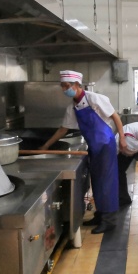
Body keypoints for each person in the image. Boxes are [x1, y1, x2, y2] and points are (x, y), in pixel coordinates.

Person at [41, 70, 126, 234]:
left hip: (105, 145)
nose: (64, 89)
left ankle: (109, 220)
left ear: (77, 85)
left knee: (106, 182)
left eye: (67, 86)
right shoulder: (72, 107)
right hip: (93, 146)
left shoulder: (94, 99)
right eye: (62, 86)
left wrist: (122, 137)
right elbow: (63, 129)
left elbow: (115, 117)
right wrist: (46, 146)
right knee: (97, 181)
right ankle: (100, 215)